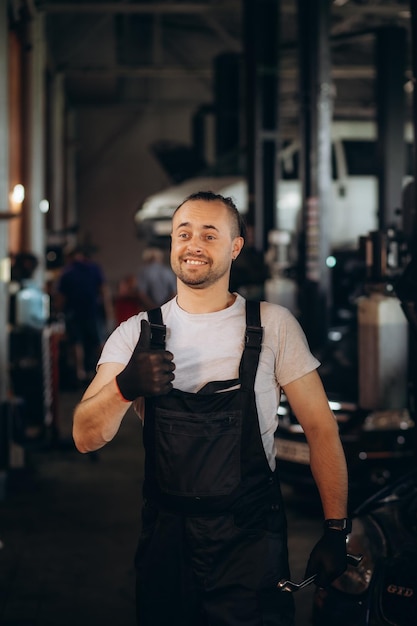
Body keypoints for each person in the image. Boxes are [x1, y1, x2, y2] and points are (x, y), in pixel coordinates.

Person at [73, 191, 350, 626]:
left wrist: (336, 529)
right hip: (167, 545)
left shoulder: (273, 326)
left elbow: (320, 429)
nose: (194, 244)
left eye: (209, 233)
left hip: (249, 544)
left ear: (234, 247)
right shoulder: (136, 335)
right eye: (183, 233)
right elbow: (85, 437)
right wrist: (125, 387)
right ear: (171, 245)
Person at [57, 245, 114, 383]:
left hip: (73, 313)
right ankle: (105, 372)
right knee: (99, 341)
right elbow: (103, 291)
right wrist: (108, 311)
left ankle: (79, 372)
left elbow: (61, 298)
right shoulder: (94, 268)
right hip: (93, 311)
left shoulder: (66, 272)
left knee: (76, 343)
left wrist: (59, 312)